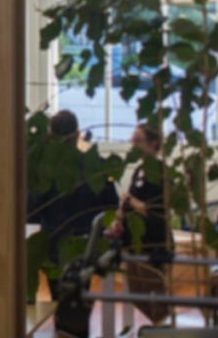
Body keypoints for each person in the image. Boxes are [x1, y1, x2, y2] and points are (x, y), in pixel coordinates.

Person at [26, 110, 119, 299]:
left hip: (54, 248)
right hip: (89, 246)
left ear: (51, 137)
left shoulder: (44, 171)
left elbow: (32, 212)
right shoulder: (97, 166)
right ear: (77, 134)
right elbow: (112, 206)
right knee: (81, 297)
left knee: (59, 300)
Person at [105, 125, 172, 325]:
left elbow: (154, 209)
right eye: (132, 140)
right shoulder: (139, 170)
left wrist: (130, 200)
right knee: (136, 294)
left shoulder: (160, 171)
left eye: (138, 141)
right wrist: (119, 217)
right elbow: (130, 203)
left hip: (153, 242)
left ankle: (162, 331)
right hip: (134, 242)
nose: (133, 145)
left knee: (155, 296)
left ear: (153, 144)